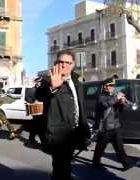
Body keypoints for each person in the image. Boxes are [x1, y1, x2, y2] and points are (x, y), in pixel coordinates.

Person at [36, 50, 90, 180]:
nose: (64, 65)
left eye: (68, 62)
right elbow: (39, 95)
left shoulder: (77, 82)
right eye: (61, 62)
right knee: (61, 170)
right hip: (58, 136)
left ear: (73, 65)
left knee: (65, 169)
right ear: (56, 64)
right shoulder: (49, 81)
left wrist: (85, 129)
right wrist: (52, 88)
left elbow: (80, 106)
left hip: (74, 133)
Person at [92, 77, 139, 170]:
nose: (112, 87)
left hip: (115, 126)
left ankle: (126, 163)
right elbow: (106, 105)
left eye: (113, 86)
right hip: (105, 128)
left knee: (119, 147)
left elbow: (119, 110)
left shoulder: (113, 95)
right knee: (100, 148)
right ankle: (96, 162)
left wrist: (121, 103)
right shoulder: (101, 97)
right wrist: (116, 98)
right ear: (105, 87)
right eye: (110, 86)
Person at [25, 76, 47, 147]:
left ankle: (31, 140)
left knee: (36, 127)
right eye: (37, 82)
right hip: (35, 111)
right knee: (39, 127)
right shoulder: (32, 89)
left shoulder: (44, 89)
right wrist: (33, 101)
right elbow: (27, 98)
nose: (38, 83)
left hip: (43, 112)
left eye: (40, 82)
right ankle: (42, 142)